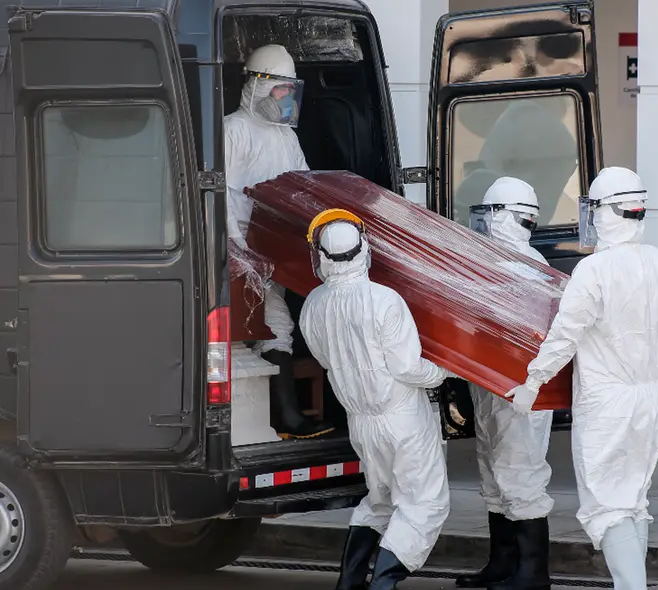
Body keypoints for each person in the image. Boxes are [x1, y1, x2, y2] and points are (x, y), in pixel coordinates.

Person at [505, 167, 658, 590]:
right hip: (648, 397)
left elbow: (565, 334)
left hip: (608, 403)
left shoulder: (595, 270)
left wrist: (533, 381)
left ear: (606, 213)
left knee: (609, 506)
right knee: (633, 502)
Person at [299, 209, 454, 590]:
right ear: (364, 249)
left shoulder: (313, 305)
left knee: (380, 502)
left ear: (320, 256)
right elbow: (407, 368)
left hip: (362, 423)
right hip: (401, 418)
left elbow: (324, 360)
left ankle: (349, 582)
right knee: (424, 503)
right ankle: (382, 585)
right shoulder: (385, 300)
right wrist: (445, 371)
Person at [224, 43, 332, 439]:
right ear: (258, 86)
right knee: (268, 325)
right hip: (241, 250)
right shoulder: (232, 130)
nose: (287, 98)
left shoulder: (286, 136)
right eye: (281, 89)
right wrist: (236, 246)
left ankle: (278, 420)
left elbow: (304, 184)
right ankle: (282, 419)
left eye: (290, 90)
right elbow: (217, 192)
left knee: (272, 326)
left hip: (276, 249)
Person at [458, 177, 554, 590]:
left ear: (500, 216)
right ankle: (502, 563)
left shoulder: (525, 267)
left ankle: (533, 573)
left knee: (520, 473)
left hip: (517, 390)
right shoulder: (494, 261)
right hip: (489, 387)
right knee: (495, 474)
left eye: (487, 214)